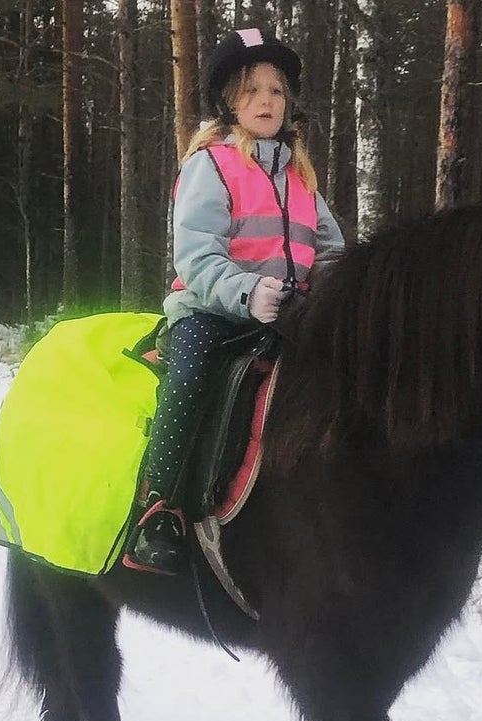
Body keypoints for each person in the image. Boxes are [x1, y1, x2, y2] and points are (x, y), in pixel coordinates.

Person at [124, 27, 346, 575]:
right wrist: (246, 292)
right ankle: (160, 509)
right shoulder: (211, 165)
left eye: (276, 90)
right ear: (229, 102)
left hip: (290, 316)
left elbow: (331, 250)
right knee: (192, 375)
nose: (266, 101)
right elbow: (195, 256)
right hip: (212, 312)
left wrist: (336, 290)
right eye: (251, 90)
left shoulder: (300, 177)